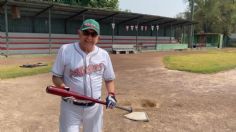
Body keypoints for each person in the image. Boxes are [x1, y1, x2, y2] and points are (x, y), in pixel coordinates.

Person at [51, 19, 117, 132]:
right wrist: (63, 88)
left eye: (93, 34)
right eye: (86, 33)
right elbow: (56, 76)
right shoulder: (66, 50)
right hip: (70, 107)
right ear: (79, 33)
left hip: (94, 107)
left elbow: (109, 79)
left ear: (98, 38)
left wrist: (111, 95)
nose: (89, 37)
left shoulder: (104, 55)